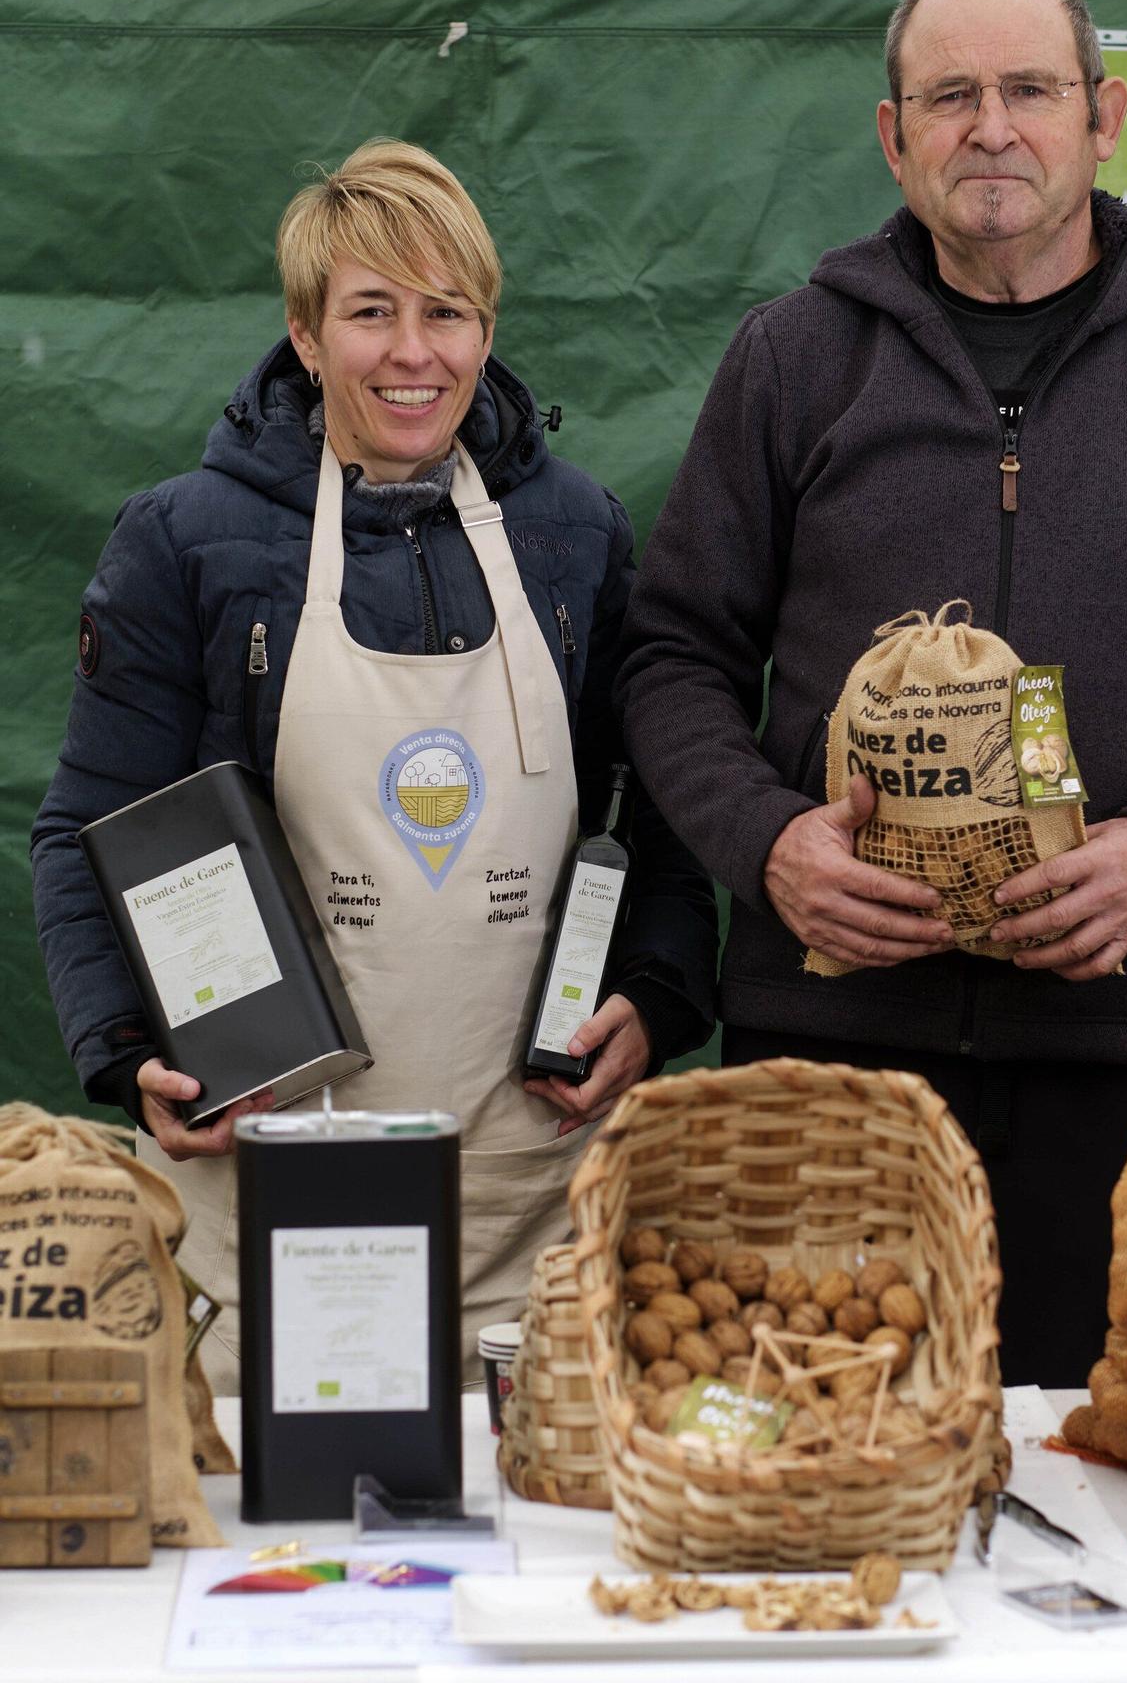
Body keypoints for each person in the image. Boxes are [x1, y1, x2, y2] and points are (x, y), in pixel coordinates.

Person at [616, 0, 1127, 1386]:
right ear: (891, 133)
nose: (991, 127)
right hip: (828, 1055)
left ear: (1101, 115)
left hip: (1119, 1061)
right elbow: (673, 655)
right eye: (950, 95)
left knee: (1091, 1489)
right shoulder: (793, 360)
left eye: (1028, 89)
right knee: (817, 1449)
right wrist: (768, 845)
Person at [33, 138, 716, 1389]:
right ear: (304, 333)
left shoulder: (575, 534)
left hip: (533, 1197)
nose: (415, 353)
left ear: (486, 325)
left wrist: (660, 995)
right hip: (276, 1185)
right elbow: (87, 825)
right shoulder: (186, 541)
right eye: (371, 312)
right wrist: (128, 1049)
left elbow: (660, 815)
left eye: (446, 312)